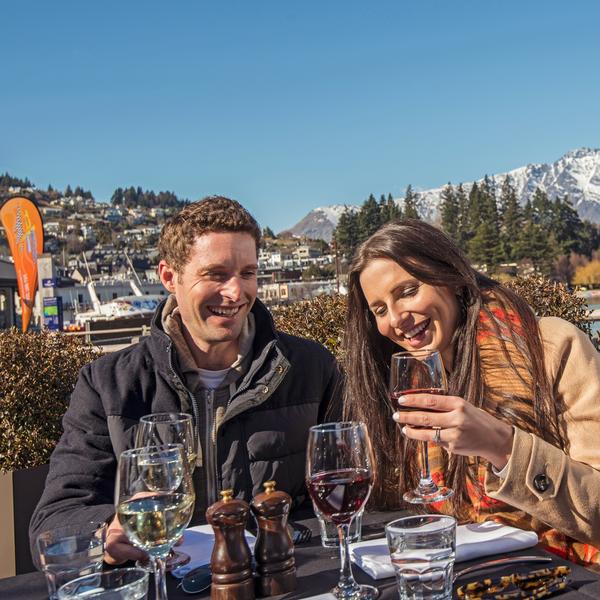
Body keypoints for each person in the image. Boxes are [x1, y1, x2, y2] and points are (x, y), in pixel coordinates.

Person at [30, 196, 341, 564]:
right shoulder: (108, 385)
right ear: (168, 277)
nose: (236, 292)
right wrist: (104, 534)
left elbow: (345, 489)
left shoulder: (309, 367)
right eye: (216, 274)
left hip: (285, 578)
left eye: (248, 273)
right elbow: (53, 522)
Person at [344, 219, 600, 567]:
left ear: (451, 279)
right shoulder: (401, 382)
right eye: (379, 310)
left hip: (569, 575)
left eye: (407, 291)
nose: (395, 319)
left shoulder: (552, 347)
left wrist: (504, 447)